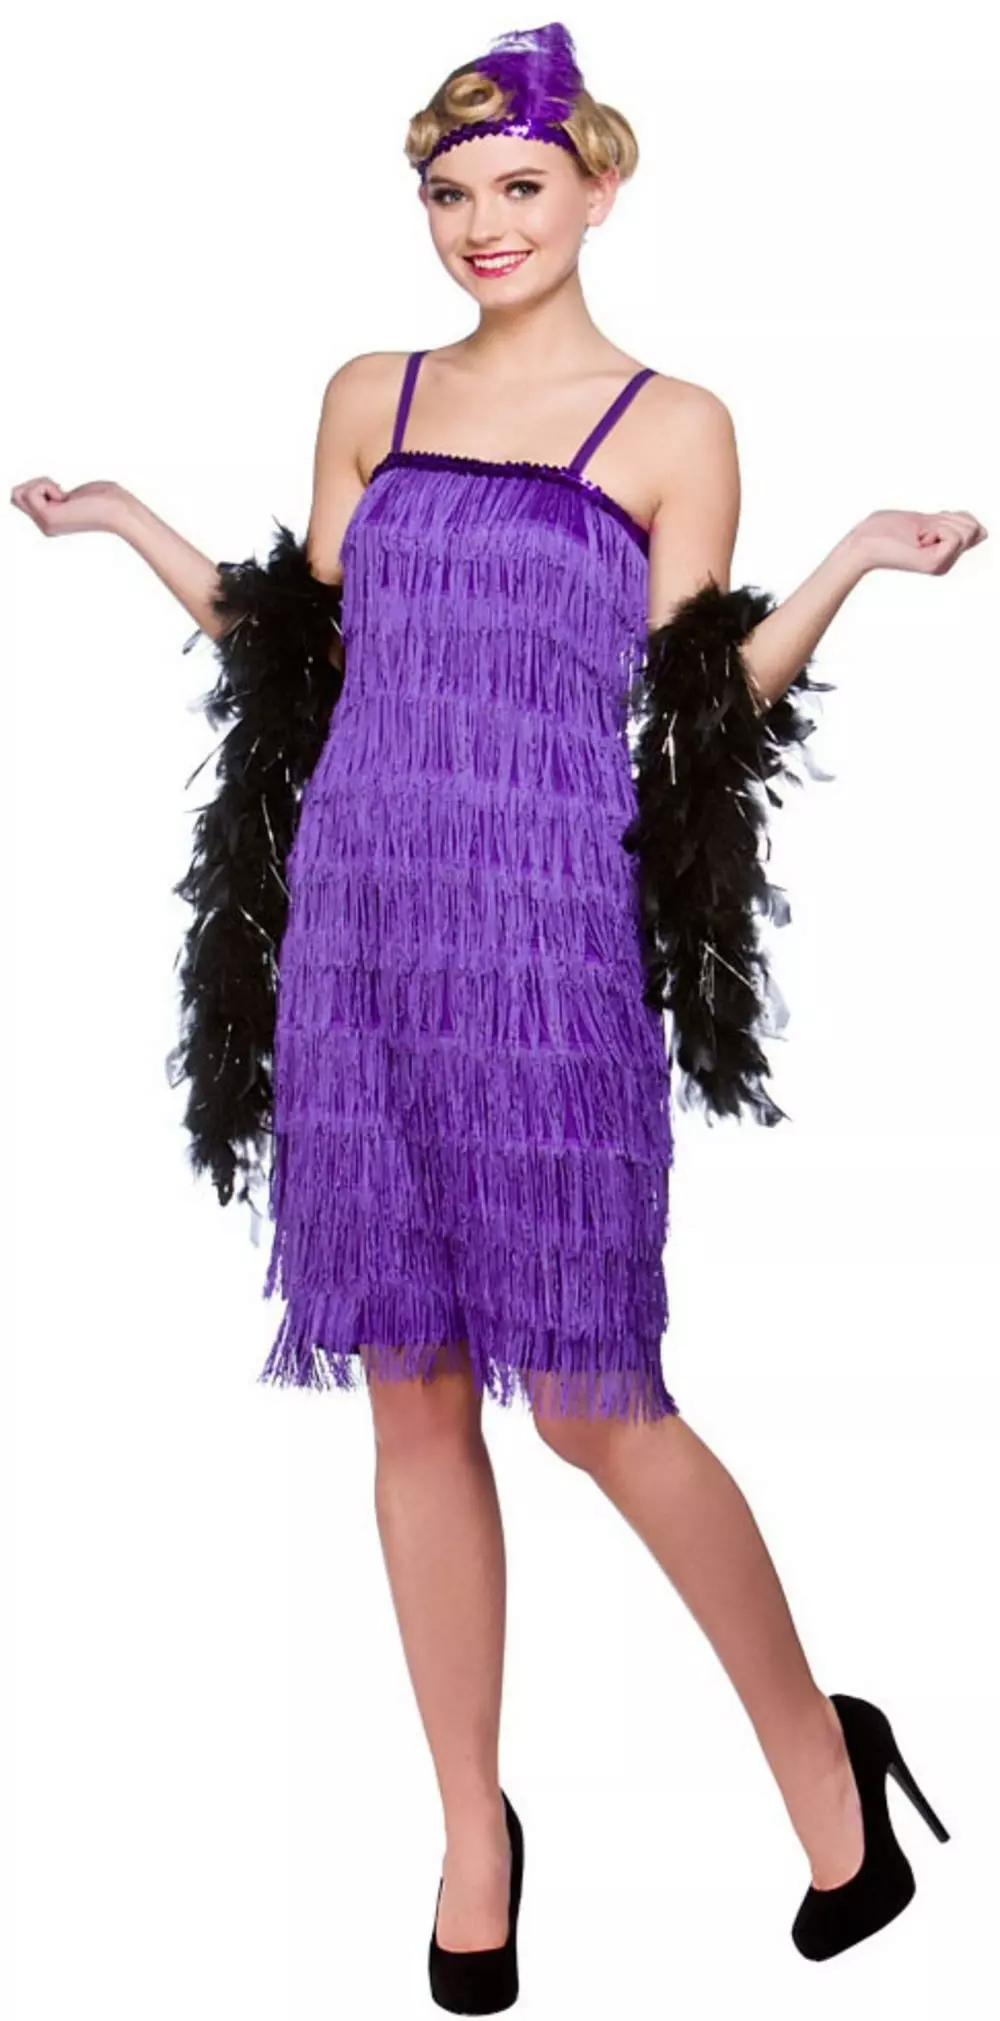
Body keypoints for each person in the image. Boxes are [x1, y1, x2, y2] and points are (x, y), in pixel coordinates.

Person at [11, 18, 982, 2013]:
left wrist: (849, 570)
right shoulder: (368, 393)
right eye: (449, 194)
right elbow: (298, 663)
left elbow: (696, 711)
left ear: (600, 188)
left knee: (595, 1401)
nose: (482, 225)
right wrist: (131, 526)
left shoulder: (671, 423)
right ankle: (472, 1828)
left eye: (519, 187)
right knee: (412, 1388)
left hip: (547, 954)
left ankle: (826, 1758)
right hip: (359, 939)